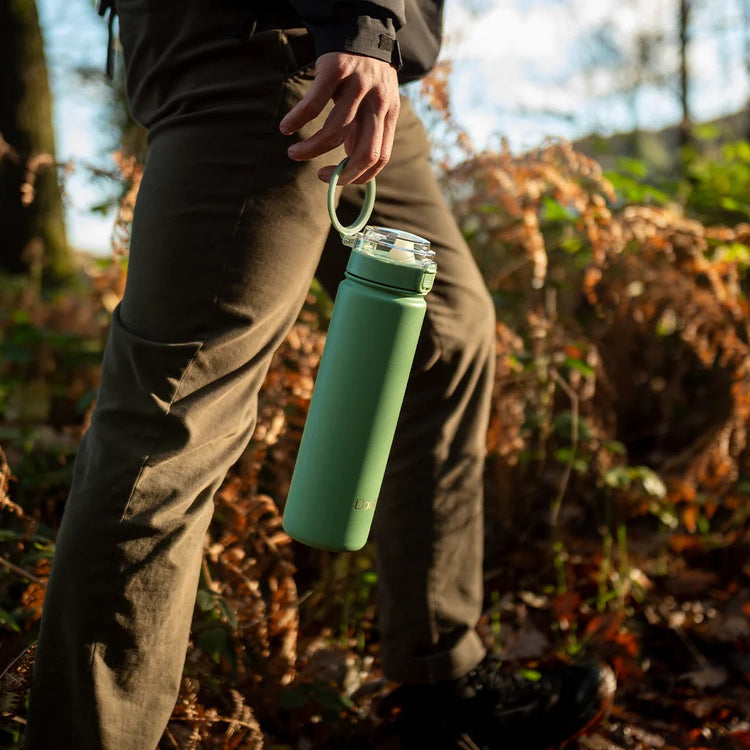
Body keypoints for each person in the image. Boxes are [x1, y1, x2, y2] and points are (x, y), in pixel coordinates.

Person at [25, 1, 614, 748]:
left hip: (353, 64)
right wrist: (358, 22)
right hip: (267, 52)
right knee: (170, 428)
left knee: (445, 330)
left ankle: (438, 676)